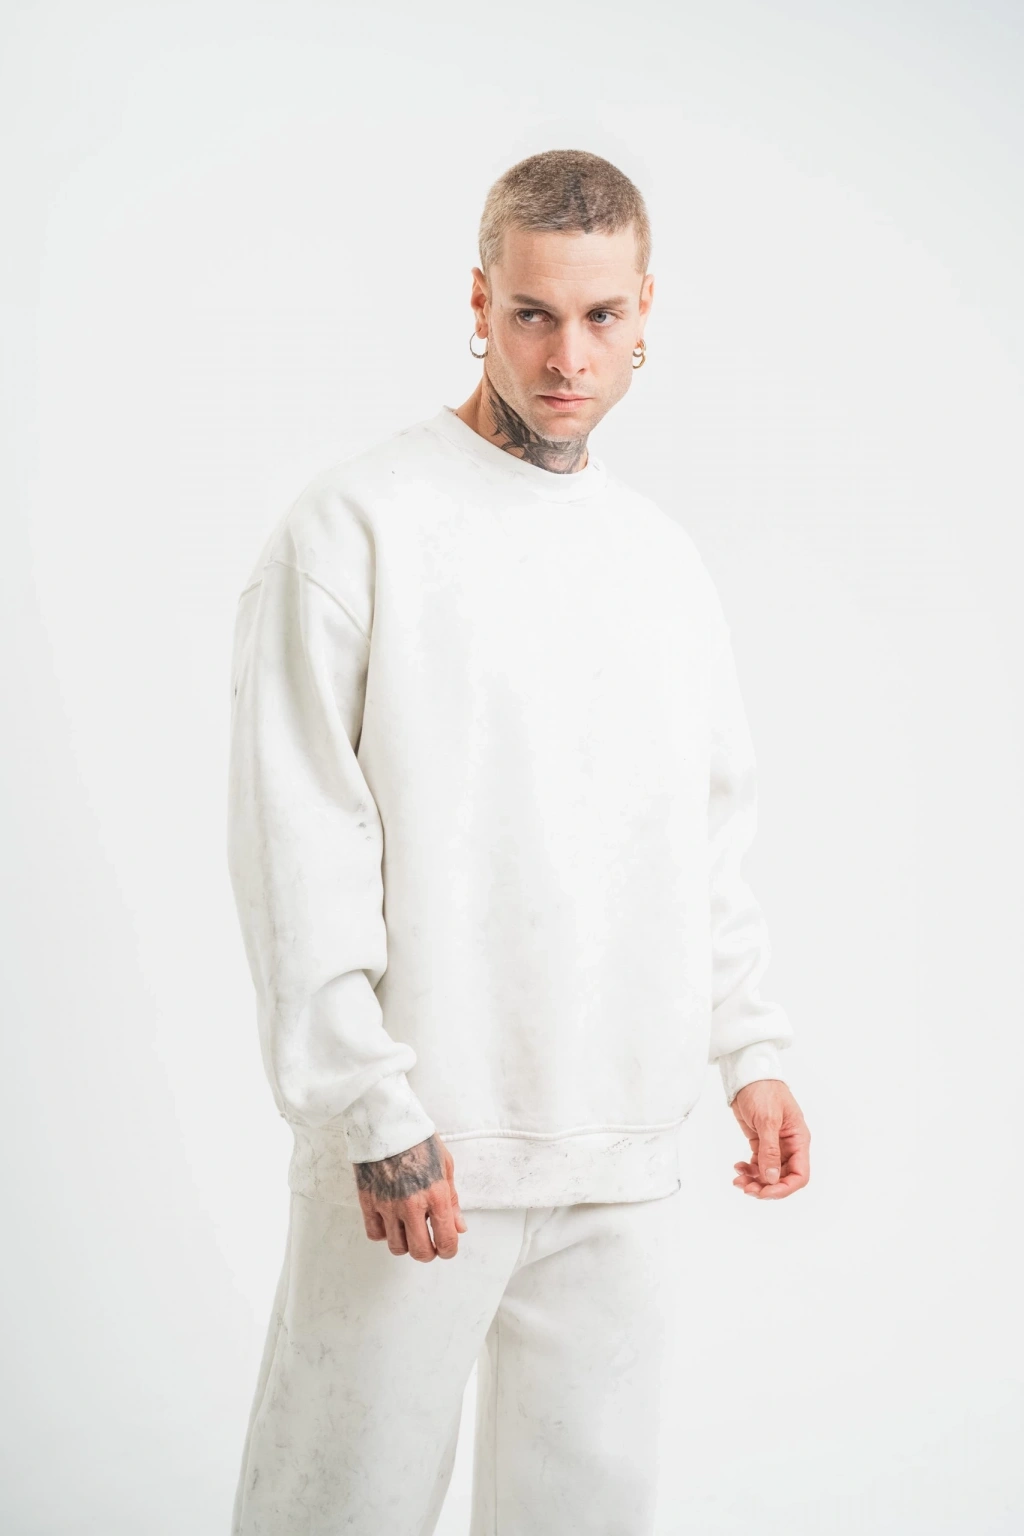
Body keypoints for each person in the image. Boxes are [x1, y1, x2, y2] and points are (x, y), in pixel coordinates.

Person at [225, 147, 811, 1536]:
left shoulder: (661, 564)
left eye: (601, 316)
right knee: (333, 1511)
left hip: (620, 1151)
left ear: (647, 309)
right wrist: (369, 1111)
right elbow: (296, 839)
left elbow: (705, 834)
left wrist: (751, 1049)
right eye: (534, 314)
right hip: (420, 1147)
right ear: (479, 301)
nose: (567, 357)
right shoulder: (356, 529)